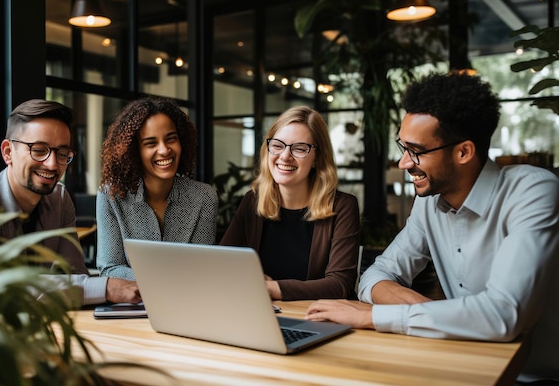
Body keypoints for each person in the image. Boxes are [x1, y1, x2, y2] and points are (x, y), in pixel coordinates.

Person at [305, 74, 559, 383]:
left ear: (463, 152)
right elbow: (376, 275)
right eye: (403, 147)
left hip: (535, 376)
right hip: (463, 362)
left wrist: (372, 316)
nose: (402, 163)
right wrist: (439, 314)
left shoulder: (532, 191)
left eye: (416, 151)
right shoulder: (429, 202)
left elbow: (503, 315)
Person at [0, 99, 141, 306]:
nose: (52, 164)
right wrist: (104, 288)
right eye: (38, 150)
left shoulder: (59, 199)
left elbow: (74, 274)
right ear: (8, 152)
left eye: (62, 154)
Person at [220, 106, 360, 301]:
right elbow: (221, 264)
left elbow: (339, 284)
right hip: (262, 313)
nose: (285, 156)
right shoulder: (252, 201)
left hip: (315, 319)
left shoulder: (342, 206)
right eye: (277, 145)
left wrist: (271, 288)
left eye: (299, 148)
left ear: (317, 158)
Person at [96, 96, 218, 280]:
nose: (164, 150)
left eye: (171, 139)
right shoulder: (110, 195)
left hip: (186, 301)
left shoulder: (205, 197)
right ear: (134, 151)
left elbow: (201, 269)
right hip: (132, 304)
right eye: (151, 143)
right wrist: (164, 279)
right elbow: (110, 268)